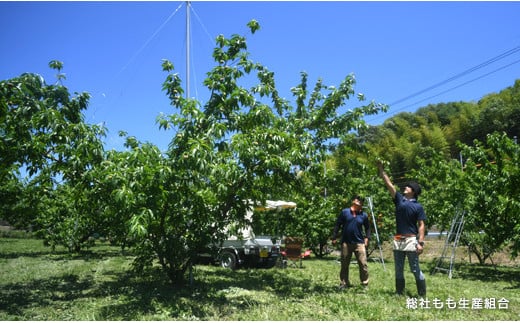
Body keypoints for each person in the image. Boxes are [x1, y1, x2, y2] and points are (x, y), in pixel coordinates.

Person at [377, 161, 427, 297]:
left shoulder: (418, 207)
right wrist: (382, 170)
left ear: (414, 191)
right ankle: (399, 293)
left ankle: (422, 295)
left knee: (415, 269)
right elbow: (389, 185)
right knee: (398, 269)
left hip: (411, 240)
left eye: (408, 187)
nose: (405, 187)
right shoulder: (400, 200)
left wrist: (421, 243)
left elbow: (421, 225)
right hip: (398, 239)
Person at [332, 195, 371, 290]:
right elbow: (338, 224)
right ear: (353, 201)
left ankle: (364, 283)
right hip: (346, 242)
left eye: (361, 201)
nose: (359, 202)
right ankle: (344, 283)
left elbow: (368, 228)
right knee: (344, 264)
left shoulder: (364, 215)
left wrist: (367, 238)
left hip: (359, 242)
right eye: (357, 200)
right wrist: (334, 236)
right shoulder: (345, 212)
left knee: (363, 263)